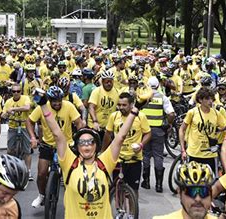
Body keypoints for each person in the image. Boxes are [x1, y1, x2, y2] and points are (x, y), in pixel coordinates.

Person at [33, 85, 151, 218]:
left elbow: (120, 136)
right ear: (77, 147)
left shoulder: (104, 162)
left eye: (91, 142)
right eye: (82, 143)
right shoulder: (69, 162)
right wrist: (43, 104)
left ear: (96, 145)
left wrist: (136, 109)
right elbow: (57, 134)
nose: (87, 146)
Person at [26, 86, 85, 208]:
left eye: (59, 100)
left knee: (71, 175)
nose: (57, 103)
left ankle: (75, 199)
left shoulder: (69, 106)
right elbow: (29, 121)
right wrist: (33, 137)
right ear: (49, 100)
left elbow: (79, 123)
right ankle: (41, 195)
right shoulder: (42, 107)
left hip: (66, 145)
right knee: (41, 173)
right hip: (47, 144)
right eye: (54, 101)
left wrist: (80, 139)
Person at [102, 92, 151, 192]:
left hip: (134, 159)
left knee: (133, 191)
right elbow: (108, 134)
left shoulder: (140, 117)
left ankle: (132, 207)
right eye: (119, 105)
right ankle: (119, 206)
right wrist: (102, 152)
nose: (121, 107)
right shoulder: (114, 116)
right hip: (118, 160)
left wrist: (141, 145)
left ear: (131, 105)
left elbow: (148, 134)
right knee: (118, 189)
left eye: (124, 105)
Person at [179, 87, 226, 173]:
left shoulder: (216, 114)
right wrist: (183, 150)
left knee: (210, 182)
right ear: (200, 100)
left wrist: (220, 130)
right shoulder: (193, 112)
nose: (210, 101)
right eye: (207, 99)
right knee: (191, 182)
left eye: (211, 99)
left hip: (210, 155)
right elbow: (182, 129)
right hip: (194, 153)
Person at [141, 76, 175, 192]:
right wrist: (169, 125)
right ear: (158, 86)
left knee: (146, 155)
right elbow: (171, 114)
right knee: (158, 156)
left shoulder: (143, 98)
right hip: (158, 131)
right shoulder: (163, 98)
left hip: (145, 131)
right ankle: (159, 185)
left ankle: (146, 182)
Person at [2, 83, 33, 179]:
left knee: (27, 150)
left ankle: (28, 171)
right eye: (14, 91)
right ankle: (10, 168)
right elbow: (2, 115)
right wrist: (7, 112)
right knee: (10, 149)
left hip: (24, 125)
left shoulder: (25, 98)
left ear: (21, 92)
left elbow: (27, 107)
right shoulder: (8, 102)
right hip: (13, 126)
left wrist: (14, 109)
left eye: (18, 91)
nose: (16, 93)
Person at [88, 70, 120, 140]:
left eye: (111, 82)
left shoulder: (117, 92)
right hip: (95, 125)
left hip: (108, 127)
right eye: (107, 82)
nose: (109, 84)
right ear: (102, 82)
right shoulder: (96, 91)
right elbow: (91, 107)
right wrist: (95, 121)